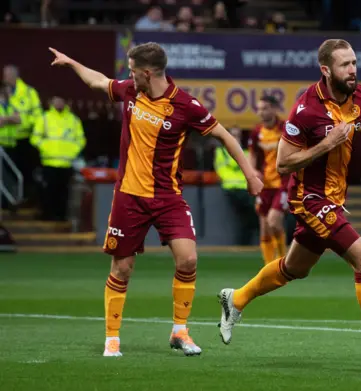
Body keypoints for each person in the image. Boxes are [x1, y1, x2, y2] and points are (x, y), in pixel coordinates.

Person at [217, 39, 361, 371]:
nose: (353, 70)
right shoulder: (306, 110)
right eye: (346, 65)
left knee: (294, 269)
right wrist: (327, 144)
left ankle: (237, 298)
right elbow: (284, 164)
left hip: (333, 199)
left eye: (355, 63)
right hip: (309, 200)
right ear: (326, 70)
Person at [48, 43, 263, 358]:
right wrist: (71, 62)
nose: (129, 76)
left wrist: (251, 175)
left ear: (147, 73)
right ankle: (112, 338)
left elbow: (225, 136)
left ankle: (179, 332)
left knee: (188, 259)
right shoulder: (130, 92)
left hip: (167, 197)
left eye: (133, 70)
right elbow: (97, 81)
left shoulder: (186, 106)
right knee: (122, 268)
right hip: (129, 196)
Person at [30, 96, 86, 221]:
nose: (58, 103)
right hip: (49, 162)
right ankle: (48, 215)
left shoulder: (73, 120)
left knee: (64, 192)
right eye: (56, 100)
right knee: (48, 191)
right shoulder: (44, 118)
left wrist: (72, 152)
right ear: (51, 102)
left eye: (61, 100)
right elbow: (35, 138)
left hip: (66, 163)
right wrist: (46, 148)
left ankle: (61, 216)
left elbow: (81, 140)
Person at [249, 95, 289, 264]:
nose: (261, 112)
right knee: (265, 228)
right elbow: (252, 155)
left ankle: (282, 263)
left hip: (283, 184)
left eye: (264, 108)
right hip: (264, 185)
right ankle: (268, 267)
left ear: (273, 109)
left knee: (274, 222)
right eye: (259, 109)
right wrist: (252, 172)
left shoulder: (285, 128)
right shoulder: (257, 132)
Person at [3, 65, 43, 204]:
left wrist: (21, 122)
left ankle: (23, 200)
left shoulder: (29, 92)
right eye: (4, 75)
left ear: (16, 76)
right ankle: (7, 200)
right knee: (7, 172)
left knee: (25, 172)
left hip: (25, 139)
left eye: (8, 75)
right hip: (6, 140)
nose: (5, 77)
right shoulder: (2, 92)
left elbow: (38, 117)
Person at [215, 127, 258, 245]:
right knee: (251, 211)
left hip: (246, 189)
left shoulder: (246, 152)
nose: (235, 138)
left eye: (238, 135)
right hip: (232, 188)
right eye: (233, 135)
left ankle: (247, 241)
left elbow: (252, 169)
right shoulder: (222, 152)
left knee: (250, 216)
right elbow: (223, 170)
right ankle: (245, 241)